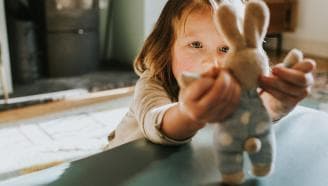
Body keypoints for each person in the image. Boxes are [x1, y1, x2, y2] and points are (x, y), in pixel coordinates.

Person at [106, 0, 315, 149]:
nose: (212, 62)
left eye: (225, 49)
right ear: (166, 47)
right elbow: (157, 122)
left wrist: (272, 105)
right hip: (120, 167)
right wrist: (189, 113)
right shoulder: (153, 83)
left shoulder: (238, 85)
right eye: (196, 45)